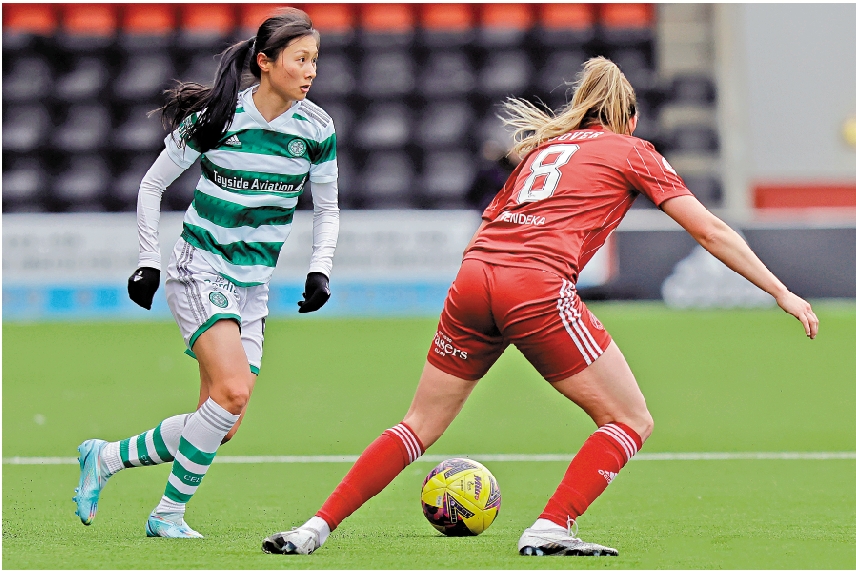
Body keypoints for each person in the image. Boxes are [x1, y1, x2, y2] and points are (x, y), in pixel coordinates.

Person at [261, 57, 818, 556]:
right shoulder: (633, 151)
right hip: (534, 287)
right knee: (629, 419)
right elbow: (710, 229)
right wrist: (780, 290)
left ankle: (314, 528)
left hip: (474, 277)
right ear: (628, 117)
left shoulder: (544, 150)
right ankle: (552, 526)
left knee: (418, 425)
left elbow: (490, 220)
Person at [72, 8, 340, 538]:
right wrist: (149, 261)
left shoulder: (318, 128)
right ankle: (166, 515)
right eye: (300, 59)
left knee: (221, 423)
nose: (311, 71)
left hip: (252, 285)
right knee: (234, 391)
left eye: (315, 60)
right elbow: (151, 186)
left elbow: (327, 208)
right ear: (265, 62)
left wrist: (319, 269)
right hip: (201, 267)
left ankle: (106, 460)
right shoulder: (219, 117)